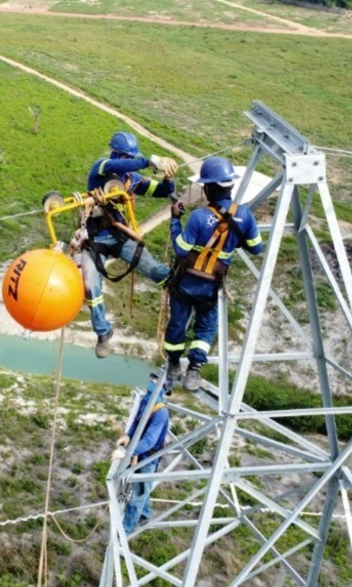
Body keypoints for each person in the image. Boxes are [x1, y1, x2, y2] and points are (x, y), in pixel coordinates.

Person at [165, 156, 264, 391]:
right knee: (206, 327)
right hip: (210, 287)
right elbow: (257, 248)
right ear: (230, 186)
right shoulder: (245, 216)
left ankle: (173, 364)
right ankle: (194, 371)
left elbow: (181, 248)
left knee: (178, 323)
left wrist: (175, 221)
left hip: (184, 283)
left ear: (209, 188)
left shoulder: (199, 217)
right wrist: (235, 239)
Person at [82, 132, 180, 358]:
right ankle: (103, 333)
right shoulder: (101, 168)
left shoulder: (133, 180)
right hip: (95, 239)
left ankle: (181, 293)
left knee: (153, 269)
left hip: (119, 235)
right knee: (90, 286)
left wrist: (167, 177)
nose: (128, 162)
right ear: (116, 154)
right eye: (125, 157)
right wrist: (150, 161)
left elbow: (164, 191)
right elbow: (122, 164)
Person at [121, 374, 172, 534]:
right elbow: (137, 421)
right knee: (144, 487)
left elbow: (149, 441)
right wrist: (128, 435)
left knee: (138, 494)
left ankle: (125, 530)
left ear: (163, 389)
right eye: (152, 379)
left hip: (148, 457)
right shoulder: (146, 401)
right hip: (139, 450)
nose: (151, 382)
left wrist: (126, 454)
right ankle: (145, 514)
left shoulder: (160, 413)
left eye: (156, 380)